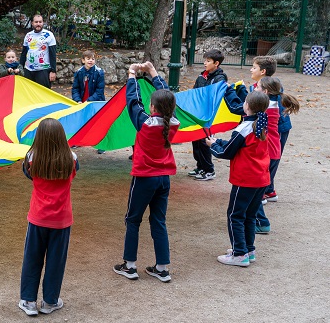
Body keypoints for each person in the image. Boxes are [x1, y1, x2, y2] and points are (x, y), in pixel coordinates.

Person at [113, 62, 179, 283]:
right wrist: (153, 73)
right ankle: (162, 267)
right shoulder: (174, 122)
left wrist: (132, 75)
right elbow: (167, 97)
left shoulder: (145, 123)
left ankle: (129, 265)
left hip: (144, 179)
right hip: (164, 180)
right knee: (158, 221)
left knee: (133, 220)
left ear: (152, 108)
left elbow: (132, 101)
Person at [18, 118, 78, 316]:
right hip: (61, 220)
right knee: (55, 261)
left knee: (32, 259)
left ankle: (28, 301)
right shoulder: (72, 159)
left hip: (38, 218)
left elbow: (28, 175)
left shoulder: (31, 158)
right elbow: (74, 172)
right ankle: (50, 301)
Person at [206, 90, 271, 267]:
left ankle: (239, 254)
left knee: (235, 215)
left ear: (247, 106)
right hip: (261, 178)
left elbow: (227, 153)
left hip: (246, 179)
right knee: (249, 215)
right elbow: (239, 146)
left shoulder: (244, 128)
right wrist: (218, 141)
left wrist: (212, 146)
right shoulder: (262, 124)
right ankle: (248, 249)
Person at [258, 76, 299, 205]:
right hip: (273, 142)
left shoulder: (270, 105)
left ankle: (262, 193)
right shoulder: (273, 91)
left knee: (266, 167)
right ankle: (269, 191)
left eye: (254, 67)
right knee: (268, 165)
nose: (251, 70)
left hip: (274, 139)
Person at [188, 49, 228, 181]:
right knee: (196, 140)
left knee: (205, 142)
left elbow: (216, 97)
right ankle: (200, 166)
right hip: (198, 114)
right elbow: (195, 93)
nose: (205, 63)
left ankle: (209, 170)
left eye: (208, 61)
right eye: (205, 60)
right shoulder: (201, 76)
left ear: (216, 63)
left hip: (209, 116)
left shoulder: (219, 78)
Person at [20, 14, 57, 89]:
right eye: (36, 22)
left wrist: (53, 71)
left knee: (44, 94)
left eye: (40, 22)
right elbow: (24, 53)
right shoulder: (28, 35)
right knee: (29, 94)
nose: (38, 24)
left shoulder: (49, 35)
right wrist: (20, 67)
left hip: (43, 70)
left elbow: (53, 54)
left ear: (43, 23)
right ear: (32, 23)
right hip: (28, 70)